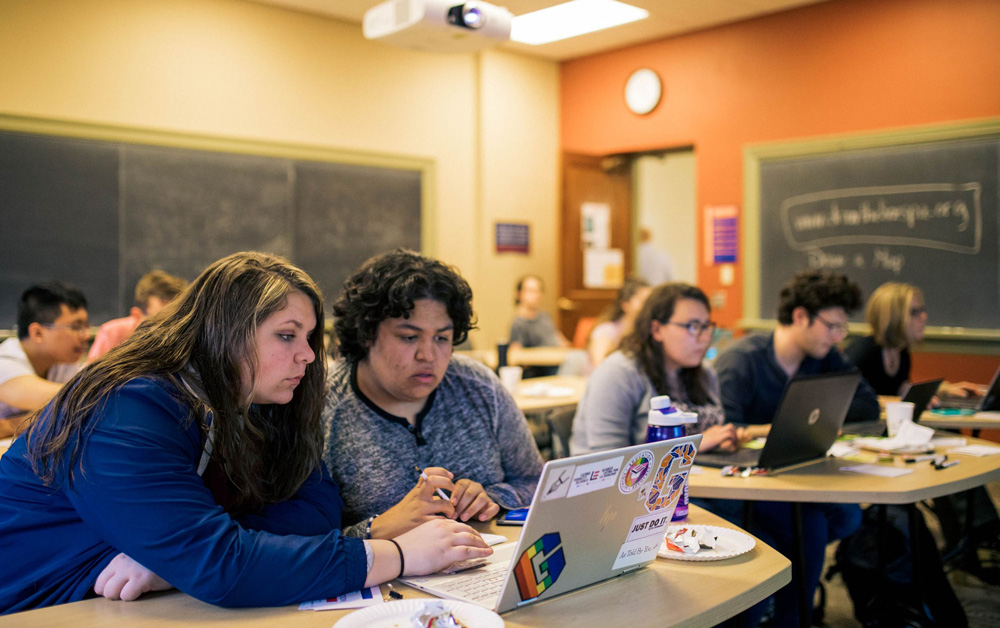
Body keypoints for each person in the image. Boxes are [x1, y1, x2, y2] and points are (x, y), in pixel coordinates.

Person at [0, 252, 491, 615]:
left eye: (309, 338)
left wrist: (174, 559)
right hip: (37, 609)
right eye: (286, 335)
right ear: (225, 331)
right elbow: (224, 568)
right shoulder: (127, 405)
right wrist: (399, 555)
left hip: (129, 604)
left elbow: (316, 510)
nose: (308, 356)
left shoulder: (260, 397)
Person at [323, 249, 544, 541]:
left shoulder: (478, 386)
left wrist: (494, 498)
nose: (428, 355)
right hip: (384, 581)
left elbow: (537, 483)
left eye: (442, 338)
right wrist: (379, 528)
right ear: (366, 333)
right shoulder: (323, 408)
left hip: (482, 569)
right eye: (409, 337)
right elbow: (305, 550)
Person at [714, 270, 873, 626]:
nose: (836, 337)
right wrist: (776, 430)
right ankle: (791, 616)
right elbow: (723, 431)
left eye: (841, 329)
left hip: (794, 475)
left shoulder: (823, 356)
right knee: (810, 524)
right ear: (801, 316)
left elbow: (867, 404)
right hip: (744, 484)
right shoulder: (742, 361)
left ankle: (787, 598)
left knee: (849, 516)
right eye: (831, 326)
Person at [570, 282, 739, 455]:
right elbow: (607, 459)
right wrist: (694, 445)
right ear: (657, 329)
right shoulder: (618, 373)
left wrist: (719, 443)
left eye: (706, 326)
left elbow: (710, 436)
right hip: (622, 480)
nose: (704, 338)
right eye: (692, 327)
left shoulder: (704, 373)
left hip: (693, 476)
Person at [844, 282, 980, 397]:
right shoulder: (863, 351)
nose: (924, 317)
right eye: (915, 312)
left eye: (922, 310)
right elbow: (853, 400)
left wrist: (944, 390)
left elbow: (900, 388)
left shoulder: (901, 352)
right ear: (894, 317)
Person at [0, 282, 88, 437]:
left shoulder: (63, 362)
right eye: (75, 327)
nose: (85, 335)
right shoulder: (5, 361)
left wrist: (11, 425)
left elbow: (80, 408)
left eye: (86, 326)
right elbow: (82, 397)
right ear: (37, 333)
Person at [87, 270, 188, 361]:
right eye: (163, 301)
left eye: (173, 302)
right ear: (137, 312)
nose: (169, 307)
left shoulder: (176, 337)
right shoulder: (112, 332)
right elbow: (91, 376)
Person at [586, 277, 651, 368]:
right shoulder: (605, 331)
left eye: (650, 302)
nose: (648, 307)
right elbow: (599, 365)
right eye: (643, 301)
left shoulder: (647, 332)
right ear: (625, 305)